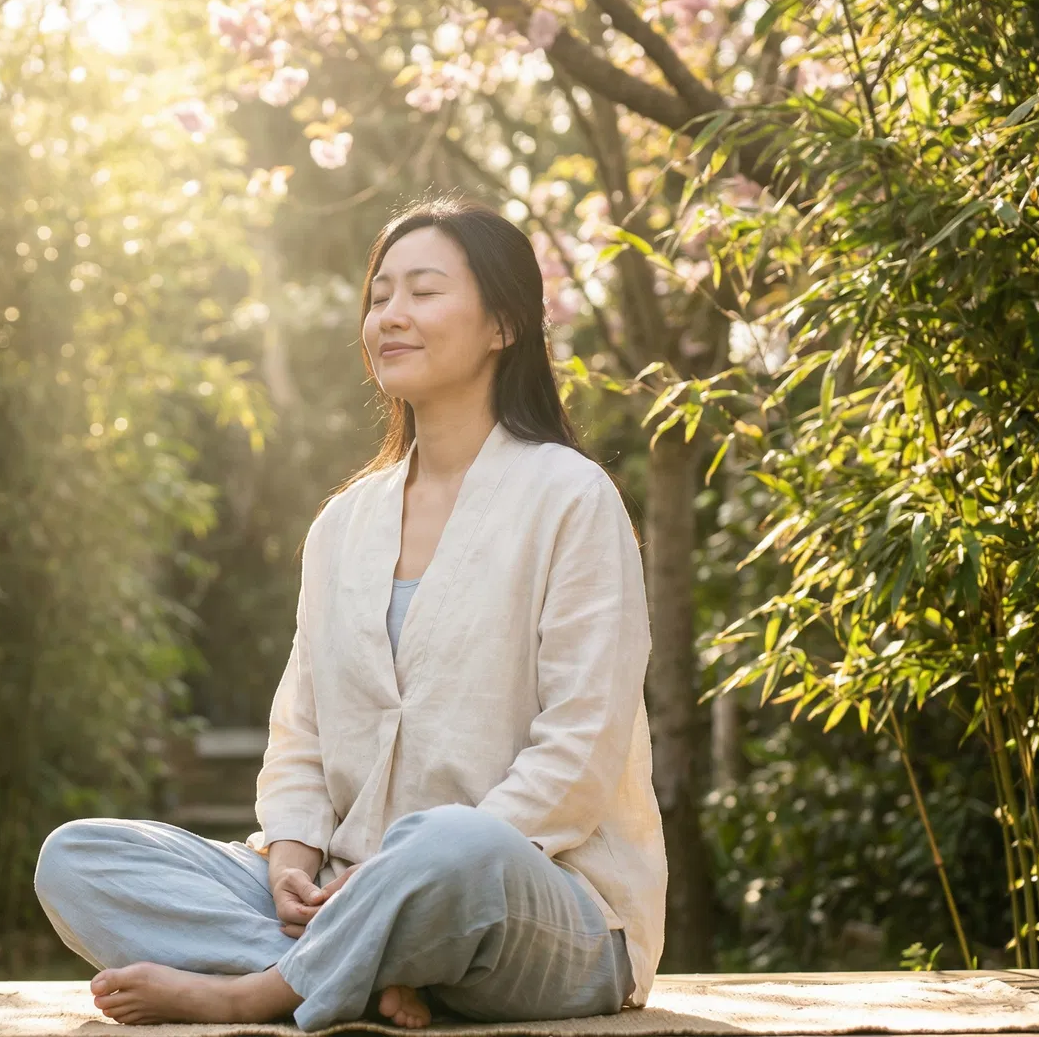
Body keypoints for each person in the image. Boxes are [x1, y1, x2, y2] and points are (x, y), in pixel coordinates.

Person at [34, 197, 666, 1031]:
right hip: (340, 889)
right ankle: (366, 976)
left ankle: (260, 989)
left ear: (503, 325)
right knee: (79, 858)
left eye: (423, 292)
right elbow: (302, 733)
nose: (390, 317)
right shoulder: (344, 523)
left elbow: (579, 752)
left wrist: (397, 877)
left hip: (539, 903)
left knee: (452, 845)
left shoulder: (570, 498)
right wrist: (292, 856)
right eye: (379, 296)